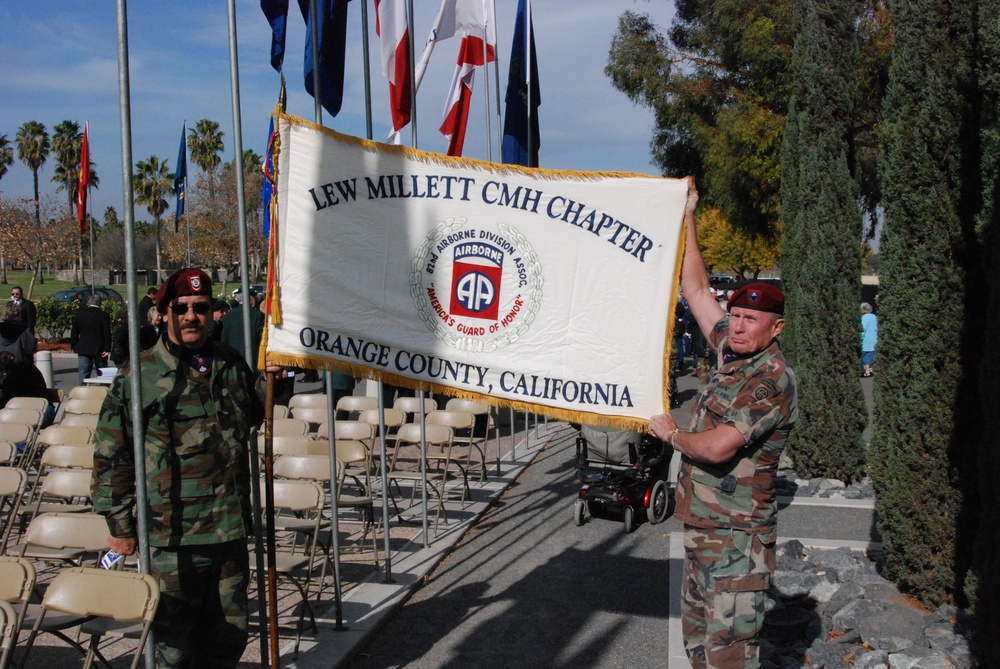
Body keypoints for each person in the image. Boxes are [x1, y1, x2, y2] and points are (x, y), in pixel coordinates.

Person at [92, 268, 277, 668]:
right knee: (173, 645)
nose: (191, 316)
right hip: (172, 536)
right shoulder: (138, 376)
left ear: (212, 312)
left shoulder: (229, 363)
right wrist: (120, 528)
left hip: (228, 528)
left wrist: (272, 379)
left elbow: (250, 416)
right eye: (181, 308)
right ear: (162, 314)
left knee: (229, 638)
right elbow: (112, 454)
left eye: (201, 307)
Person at [649, 179, 798, 669]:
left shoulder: (770, 379)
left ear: (775, 328)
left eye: (750, 319)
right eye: (733, 315)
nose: (736, 326)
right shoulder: (729, 352)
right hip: (703, 532)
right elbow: (693, 287)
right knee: (699, 650)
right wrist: (689, 214)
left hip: (738, 542)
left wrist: (671, 434)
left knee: (729, 658)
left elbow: (716, 448)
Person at [70, 294, 112, 385]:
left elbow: (74, 332)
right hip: (99, 349)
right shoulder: (104, 315)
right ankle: (104, 391)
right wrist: (107, 348)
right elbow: (107, 333)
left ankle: (82, 391)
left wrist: (74, 345)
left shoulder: (80, 314)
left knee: (84, 373)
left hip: (83, 348)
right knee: (103, 373)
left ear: (90, 302)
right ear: (100, 303)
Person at [0, 304, 37, 374]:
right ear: (18, 315)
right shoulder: (23, 330)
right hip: (19, 366)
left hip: (2, 365)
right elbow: (31, 348)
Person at [861, 302, 878, 377]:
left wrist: (860, 337)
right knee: (872, 355)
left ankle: (867, 371)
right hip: (874, 339)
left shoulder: (864, 318)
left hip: (866, 340)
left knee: (866, 357)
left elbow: (862, 329)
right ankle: (871, 369)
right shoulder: (874, 317)